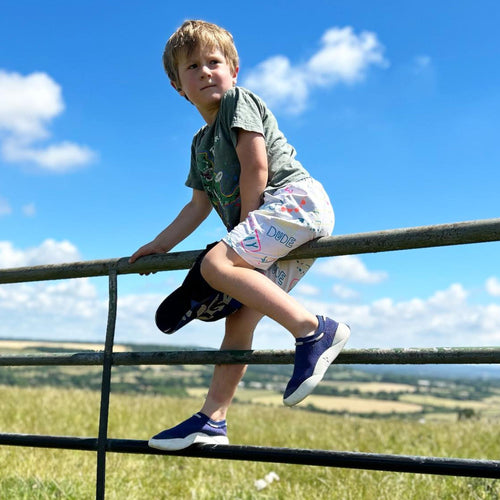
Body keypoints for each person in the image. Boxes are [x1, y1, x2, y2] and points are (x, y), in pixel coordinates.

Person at [129, 19, 350, 451]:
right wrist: (160, 245)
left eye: (214, 62)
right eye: (192, 67)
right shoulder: (199, 144)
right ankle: (212, 421)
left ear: (233, 70)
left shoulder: (237, 102)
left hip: (294, 202)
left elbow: (256, 167)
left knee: (216, 264)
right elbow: (197, 206)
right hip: (278, 223)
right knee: (239, 319)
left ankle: (313, 329)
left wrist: (245, 227)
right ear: (179, 86)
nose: (205, 71)